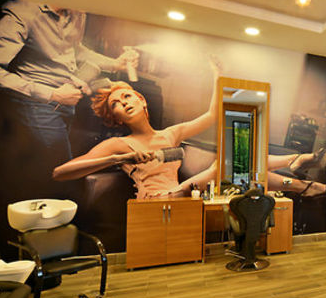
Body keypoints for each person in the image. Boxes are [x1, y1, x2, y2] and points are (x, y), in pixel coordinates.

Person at [0, 0, 139, 253]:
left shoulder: (77, 12)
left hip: (66, 104)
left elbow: (76, 50)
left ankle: (57, 249)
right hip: (35, 104)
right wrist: (51, 94)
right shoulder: (22, 13)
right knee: (63, 176)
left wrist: (115, 63)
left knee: (57, 178)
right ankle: (47, 252)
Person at [52, 62, 219, 198]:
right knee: (215, 171)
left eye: (126, 96)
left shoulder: (171, 134)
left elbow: (212, 115)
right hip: (150, 204)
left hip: (178, 203)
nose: (124, 103)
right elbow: (59, 173)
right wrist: (118, 159)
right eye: (115, 104)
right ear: (117, 118)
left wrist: (218, 75)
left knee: (220, 166)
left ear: (142, 100)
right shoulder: (117, 144)